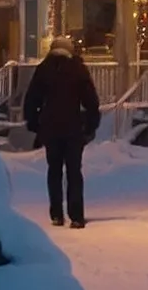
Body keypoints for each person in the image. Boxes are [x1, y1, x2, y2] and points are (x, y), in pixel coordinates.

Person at [22, 36, 100, 229]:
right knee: (74, 171)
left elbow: (32, 99)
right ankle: (76, 216)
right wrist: (90, 125)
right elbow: (91, 101)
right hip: (73, 127)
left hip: (50, 127)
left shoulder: (43, 69)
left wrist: (34, 123)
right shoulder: (77, 69)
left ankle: (56, 214)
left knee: (54, 170)